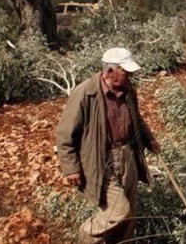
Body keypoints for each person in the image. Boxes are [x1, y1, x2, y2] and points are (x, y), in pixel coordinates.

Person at [56, 47, 161, 243]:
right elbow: (65, 134)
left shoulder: (129, 91)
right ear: (111, 71)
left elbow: (136, 119)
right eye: (126, 71)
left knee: (130, 216)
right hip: (100, 159)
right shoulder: (85, 92)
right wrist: (71, 168)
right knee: (119, 211)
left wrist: (149, 139)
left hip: (127, 155)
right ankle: (87, 236)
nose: (130, 75)